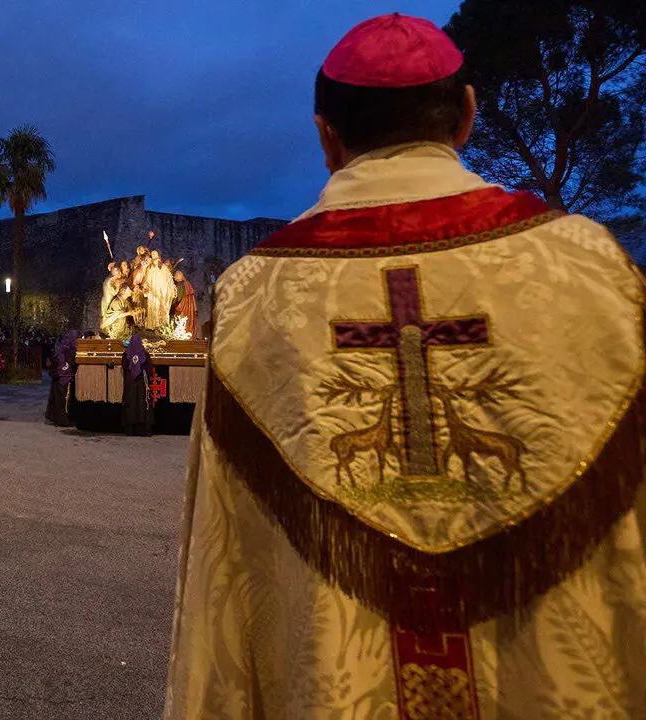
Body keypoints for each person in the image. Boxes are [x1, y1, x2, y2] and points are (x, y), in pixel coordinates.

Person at [163, 14, 646, 719]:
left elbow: (221, 574)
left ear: (326, 136)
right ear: (468, 117)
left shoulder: (256, 295)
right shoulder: (595, 271)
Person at [120, 334, 153, 436]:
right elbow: (148, 368)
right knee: (142, 403)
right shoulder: (144, 353)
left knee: (130, 402)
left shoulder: (126, 353)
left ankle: (130, 430)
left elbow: (124, 365)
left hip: (130, 382)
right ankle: (142, 429)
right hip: (141, 382)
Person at [45, 330, 78, 427]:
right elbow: (68, 362)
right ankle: (63, 420)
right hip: (64, 376)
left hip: (59, 376)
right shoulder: (69, 348)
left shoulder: (62, 346)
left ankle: (59, 419)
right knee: (63, 401)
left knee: (60, 400)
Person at [172, 270, 197, 338]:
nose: (174, 278)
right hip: (189, 307)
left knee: (182, 321)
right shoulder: (187, 284)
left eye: (175, 276)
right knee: (188, 321)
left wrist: (172, 305)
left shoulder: (181, 285)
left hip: (183, 306)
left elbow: (178, 298)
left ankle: (183, 335)